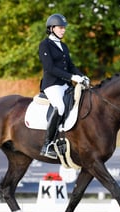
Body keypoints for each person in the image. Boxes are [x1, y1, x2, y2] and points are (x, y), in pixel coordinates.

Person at [38, 13, 89, 158]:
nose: (63, 30)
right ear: (52, 28)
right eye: (60, 28)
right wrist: (72, 77)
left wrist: (81, 76)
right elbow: (50, 68)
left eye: (64, 28)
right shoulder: (44, 45)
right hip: (52, 85)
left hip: (65, 84)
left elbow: (71, 65)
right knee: (60, 106)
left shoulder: (64, 46)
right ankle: (47, 145)